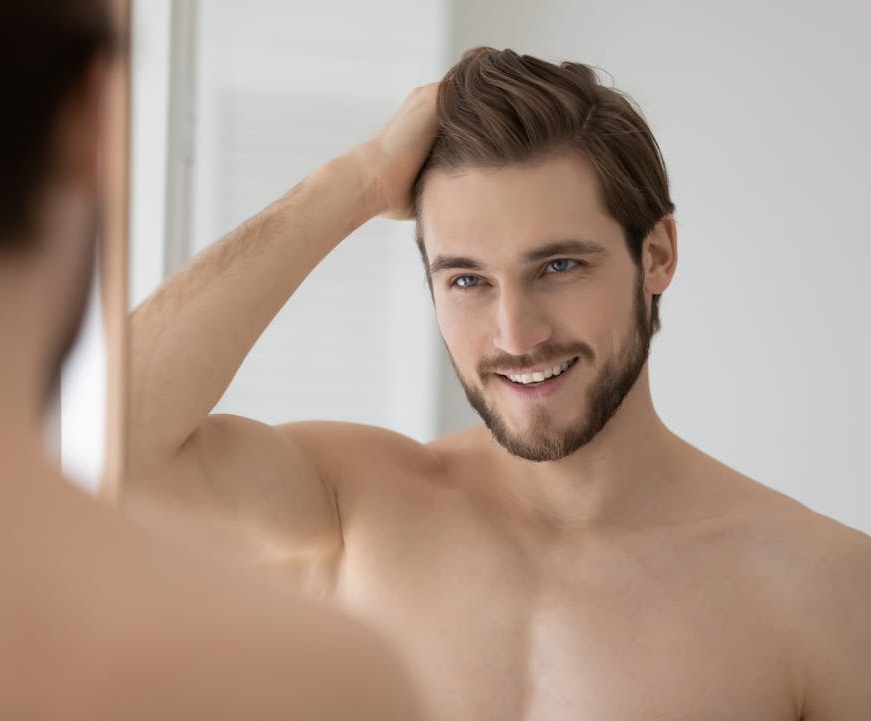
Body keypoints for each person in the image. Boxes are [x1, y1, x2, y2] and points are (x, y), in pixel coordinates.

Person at [126, 47, 871, 720]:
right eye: (468, 279)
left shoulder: (823, 591)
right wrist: (356, 181)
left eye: (558, 266)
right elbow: (114, 441)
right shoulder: (354, 512)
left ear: (657, 255)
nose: (516, 335)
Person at [0, 1, 424, 719]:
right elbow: (134, 436)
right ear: (96, 113)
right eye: (468, 277)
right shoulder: (293, 677)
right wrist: (366, 178)